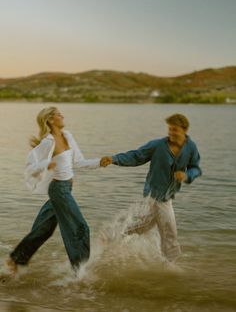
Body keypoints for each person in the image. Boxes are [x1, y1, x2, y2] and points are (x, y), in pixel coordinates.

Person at [6, 107, 108, 276]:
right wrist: (45, 165)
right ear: (51, 120)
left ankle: (16, 259)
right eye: (59, 114)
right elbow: (30, 166)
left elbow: (78, 162)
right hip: (59, 190)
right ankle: (80, 271)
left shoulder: (67, 136)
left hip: (66, 188)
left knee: (43, 229)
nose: (63, 116)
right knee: (80, 227)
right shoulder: (48, 142)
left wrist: (99, 162)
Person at [101, 114, 202, 262]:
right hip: (155, 195)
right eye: (169, 129)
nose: (170, 133)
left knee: (143, 226)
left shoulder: (191, 148)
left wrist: (187, 176)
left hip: (167, 195)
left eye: (174, 130)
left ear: (184, 130)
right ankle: (173, 267)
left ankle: (112, 237)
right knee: (170, 233)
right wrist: (114, 159)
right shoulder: (157, 145)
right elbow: (136, 156)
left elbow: (195, 168)